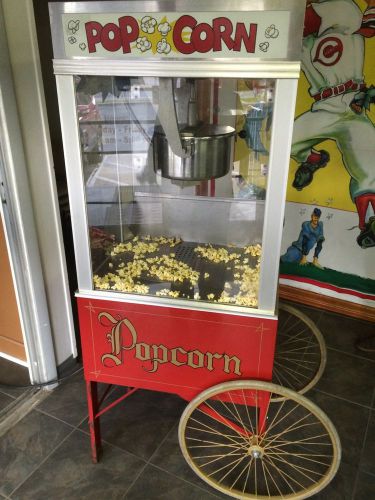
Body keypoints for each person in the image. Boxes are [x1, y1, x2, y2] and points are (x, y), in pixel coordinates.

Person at [291, 0, 375, 248]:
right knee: (284, 139)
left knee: (369, 170)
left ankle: (367, 226)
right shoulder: (303, 36)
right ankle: (313, 159)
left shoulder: (342, 9)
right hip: (323, 107)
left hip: (352, 104)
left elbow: (308, 18)